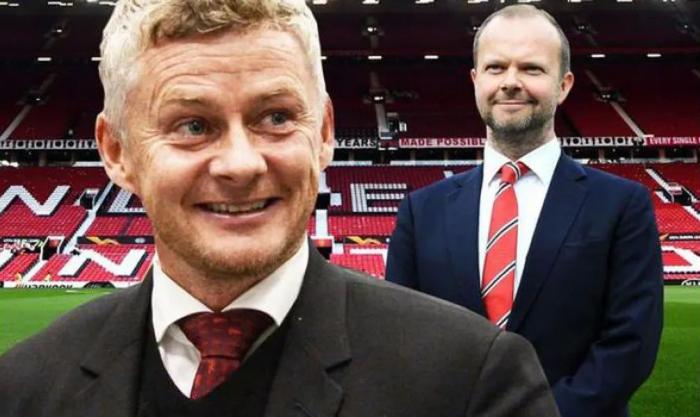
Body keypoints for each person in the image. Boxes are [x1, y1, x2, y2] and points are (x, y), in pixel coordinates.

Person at [0, 1, 560, 416]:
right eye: (192, 125)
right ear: (117, 152)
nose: (241, 164)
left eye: (275, 117)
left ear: (324, 133)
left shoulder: (471, 381)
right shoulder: (22, 389)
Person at [386, 5, 663, 417]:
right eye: (496, 67)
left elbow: (631, 343)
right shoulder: (421, 211)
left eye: (532, 68)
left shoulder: (622, 205)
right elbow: (399, 337)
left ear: (564, 85)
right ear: (476, 80)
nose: (511, 82)